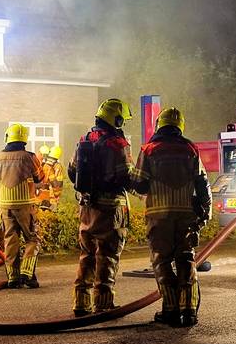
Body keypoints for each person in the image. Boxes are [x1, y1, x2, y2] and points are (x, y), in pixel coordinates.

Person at [130, 107, 210, 327]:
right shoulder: (190, 149)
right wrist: (205, 211)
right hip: (185, 215)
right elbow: (202, 182)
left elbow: (139, 183)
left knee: (162, 260)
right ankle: (189, 310)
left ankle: (171, 309)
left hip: (159, 215)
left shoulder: (149, 150)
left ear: (159, 125)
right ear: (180, 126)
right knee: (185, 258)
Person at [67, 98, 134, 316]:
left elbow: (71, 172)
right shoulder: (118, 144)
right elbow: (126, 176)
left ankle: (81, 302)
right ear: (116, 118)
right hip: (110, 209)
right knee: (107, 256)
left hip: (87, 208)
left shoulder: (85, 139)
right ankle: (104, 304)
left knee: (86, 255)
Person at [0, 123, 46, 288]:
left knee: (11, 240)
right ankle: (26, 272)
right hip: (25, 206)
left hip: (6, 207)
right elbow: (40, 178)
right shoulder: (29, 157)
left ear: (8, 136)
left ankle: (13, 278)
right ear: (24, 138)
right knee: (33, 238)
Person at [34, 144, 66, 211]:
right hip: (45, 197)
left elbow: (56, 186)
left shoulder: (49, 166)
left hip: (48, 198)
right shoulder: (52, 166)